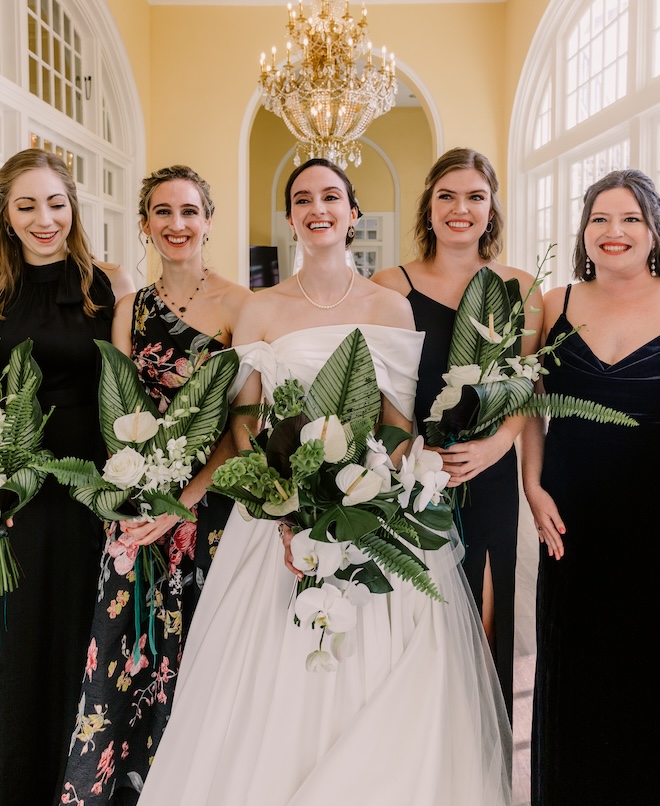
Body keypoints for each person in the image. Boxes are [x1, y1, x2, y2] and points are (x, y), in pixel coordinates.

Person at [136, 158, 512, 806]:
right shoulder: (259, 311)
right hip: (275, 522)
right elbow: (243, 431)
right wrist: (272, 508)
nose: (318, 208)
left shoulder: (391, 308)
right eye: (303, 199)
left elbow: (397, 425)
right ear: (290, 219)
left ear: (352, 213)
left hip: (372, 517)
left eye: (331, 196)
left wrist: (367, 496)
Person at [57, 165, 251, 806]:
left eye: (189, 211)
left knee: (199, 656)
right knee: (125, 654)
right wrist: (138, 499)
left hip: (207, 510)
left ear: (208, 220)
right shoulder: (129, 308)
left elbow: (240, 429)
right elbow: (121, 411)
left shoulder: (240, 306)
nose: (177, 225)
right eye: (162, 213)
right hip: (138, 509)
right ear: (144, 224)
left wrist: (180, 506)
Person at [372, 147, 542, 720]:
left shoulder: (519, 286)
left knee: (488, 619)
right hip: (410, 477)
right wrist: (407, 461)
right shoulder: (389, 284)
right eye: (446, 195)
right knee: (420, 624)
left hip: (488, 475)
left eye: (475, 196)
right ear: (428, 208)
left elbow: (528, 388)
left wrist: (497, 446)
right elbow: (379, 393)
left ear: (491, 210)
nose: (460, 209)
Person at [522, 169, 660, 805]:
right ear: (583, 231)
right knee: (575, 670)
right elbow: (525, 404)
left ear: (654, 230)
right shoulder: (554, 303)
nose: (615, 231)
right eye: (601, 219)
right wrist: (533, 484)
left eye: (630, 218)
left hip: (651, 519)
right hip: (569, 515)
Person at [0, 148, 133, 806]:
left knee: (82, 637)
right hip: (15, 495)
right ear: (6, 213)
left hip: (90, 491)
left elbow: (128, 391)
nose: (43, 218)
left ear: (72, 206)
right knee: (20, 641)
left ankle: (80, 786)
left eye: (55, 203)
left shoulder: (105, 284)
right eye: (27, 205)